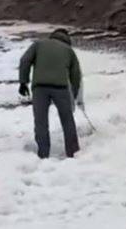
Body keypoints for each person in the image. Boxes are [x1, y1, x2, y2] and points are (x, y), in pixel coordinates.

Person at [18, 28, 82, 159]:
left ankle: (43, 154)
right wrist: (73, 95)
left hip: (39, 88)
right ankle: (73, 152)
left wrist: (23, 82)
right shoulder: (69, 51)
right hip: (61, 88)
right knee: (67, 120)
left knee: (41, 122)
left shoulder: (38, 44)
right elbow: (76, 75)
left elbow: (25, 60)